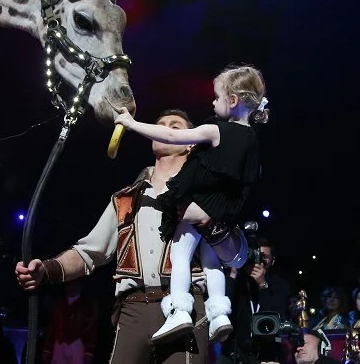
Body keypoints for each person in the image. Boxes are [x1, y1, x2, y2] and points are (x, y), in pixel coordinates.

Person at [16, 109, 248, 364]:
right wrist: (46, 270)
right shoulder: (125, 198)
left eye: (175, 126)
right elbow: (89, 253)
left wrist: (208, 221)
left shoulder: (207, 193)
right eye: (161, 125)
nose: (166, 129)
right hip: (132, 310)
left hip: (186, 309)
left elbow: (236, 256)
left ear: (190, 143)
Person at [114, 65, 268, 343]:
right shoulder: (253, 141)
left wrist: (131, 124)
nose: (212, 102)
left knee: (180, 255)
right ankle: (220, 314)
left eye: (216, 98)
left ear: (232, 101)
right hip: (221, 210)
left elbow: (172, 137)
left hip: (198, 204)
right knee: (211, 263)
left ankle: (179, 310)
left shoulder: (215, 130)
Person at [218, 237, 291, 364]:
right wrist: (233, 274)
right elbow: (224, 310)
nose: (259, 260)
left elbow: (276, 318)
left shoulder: (279, 285)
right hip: (234, 352)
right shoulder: (237, 282)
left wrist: (262, 285)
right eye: (255, 255)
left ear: (273, 261)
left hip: (264, 354)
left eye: (264, 257)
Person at [42, 279, 98, 364]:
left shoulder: (86, 306)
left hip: (76, 346)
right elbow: (52, 327)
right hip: (59, 345)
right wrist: (47, 349)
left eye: (75, 283)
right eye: (69, 284)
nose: (71, 286)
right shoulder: (59, 304)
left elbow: (91, 330)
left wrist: (89, 351)